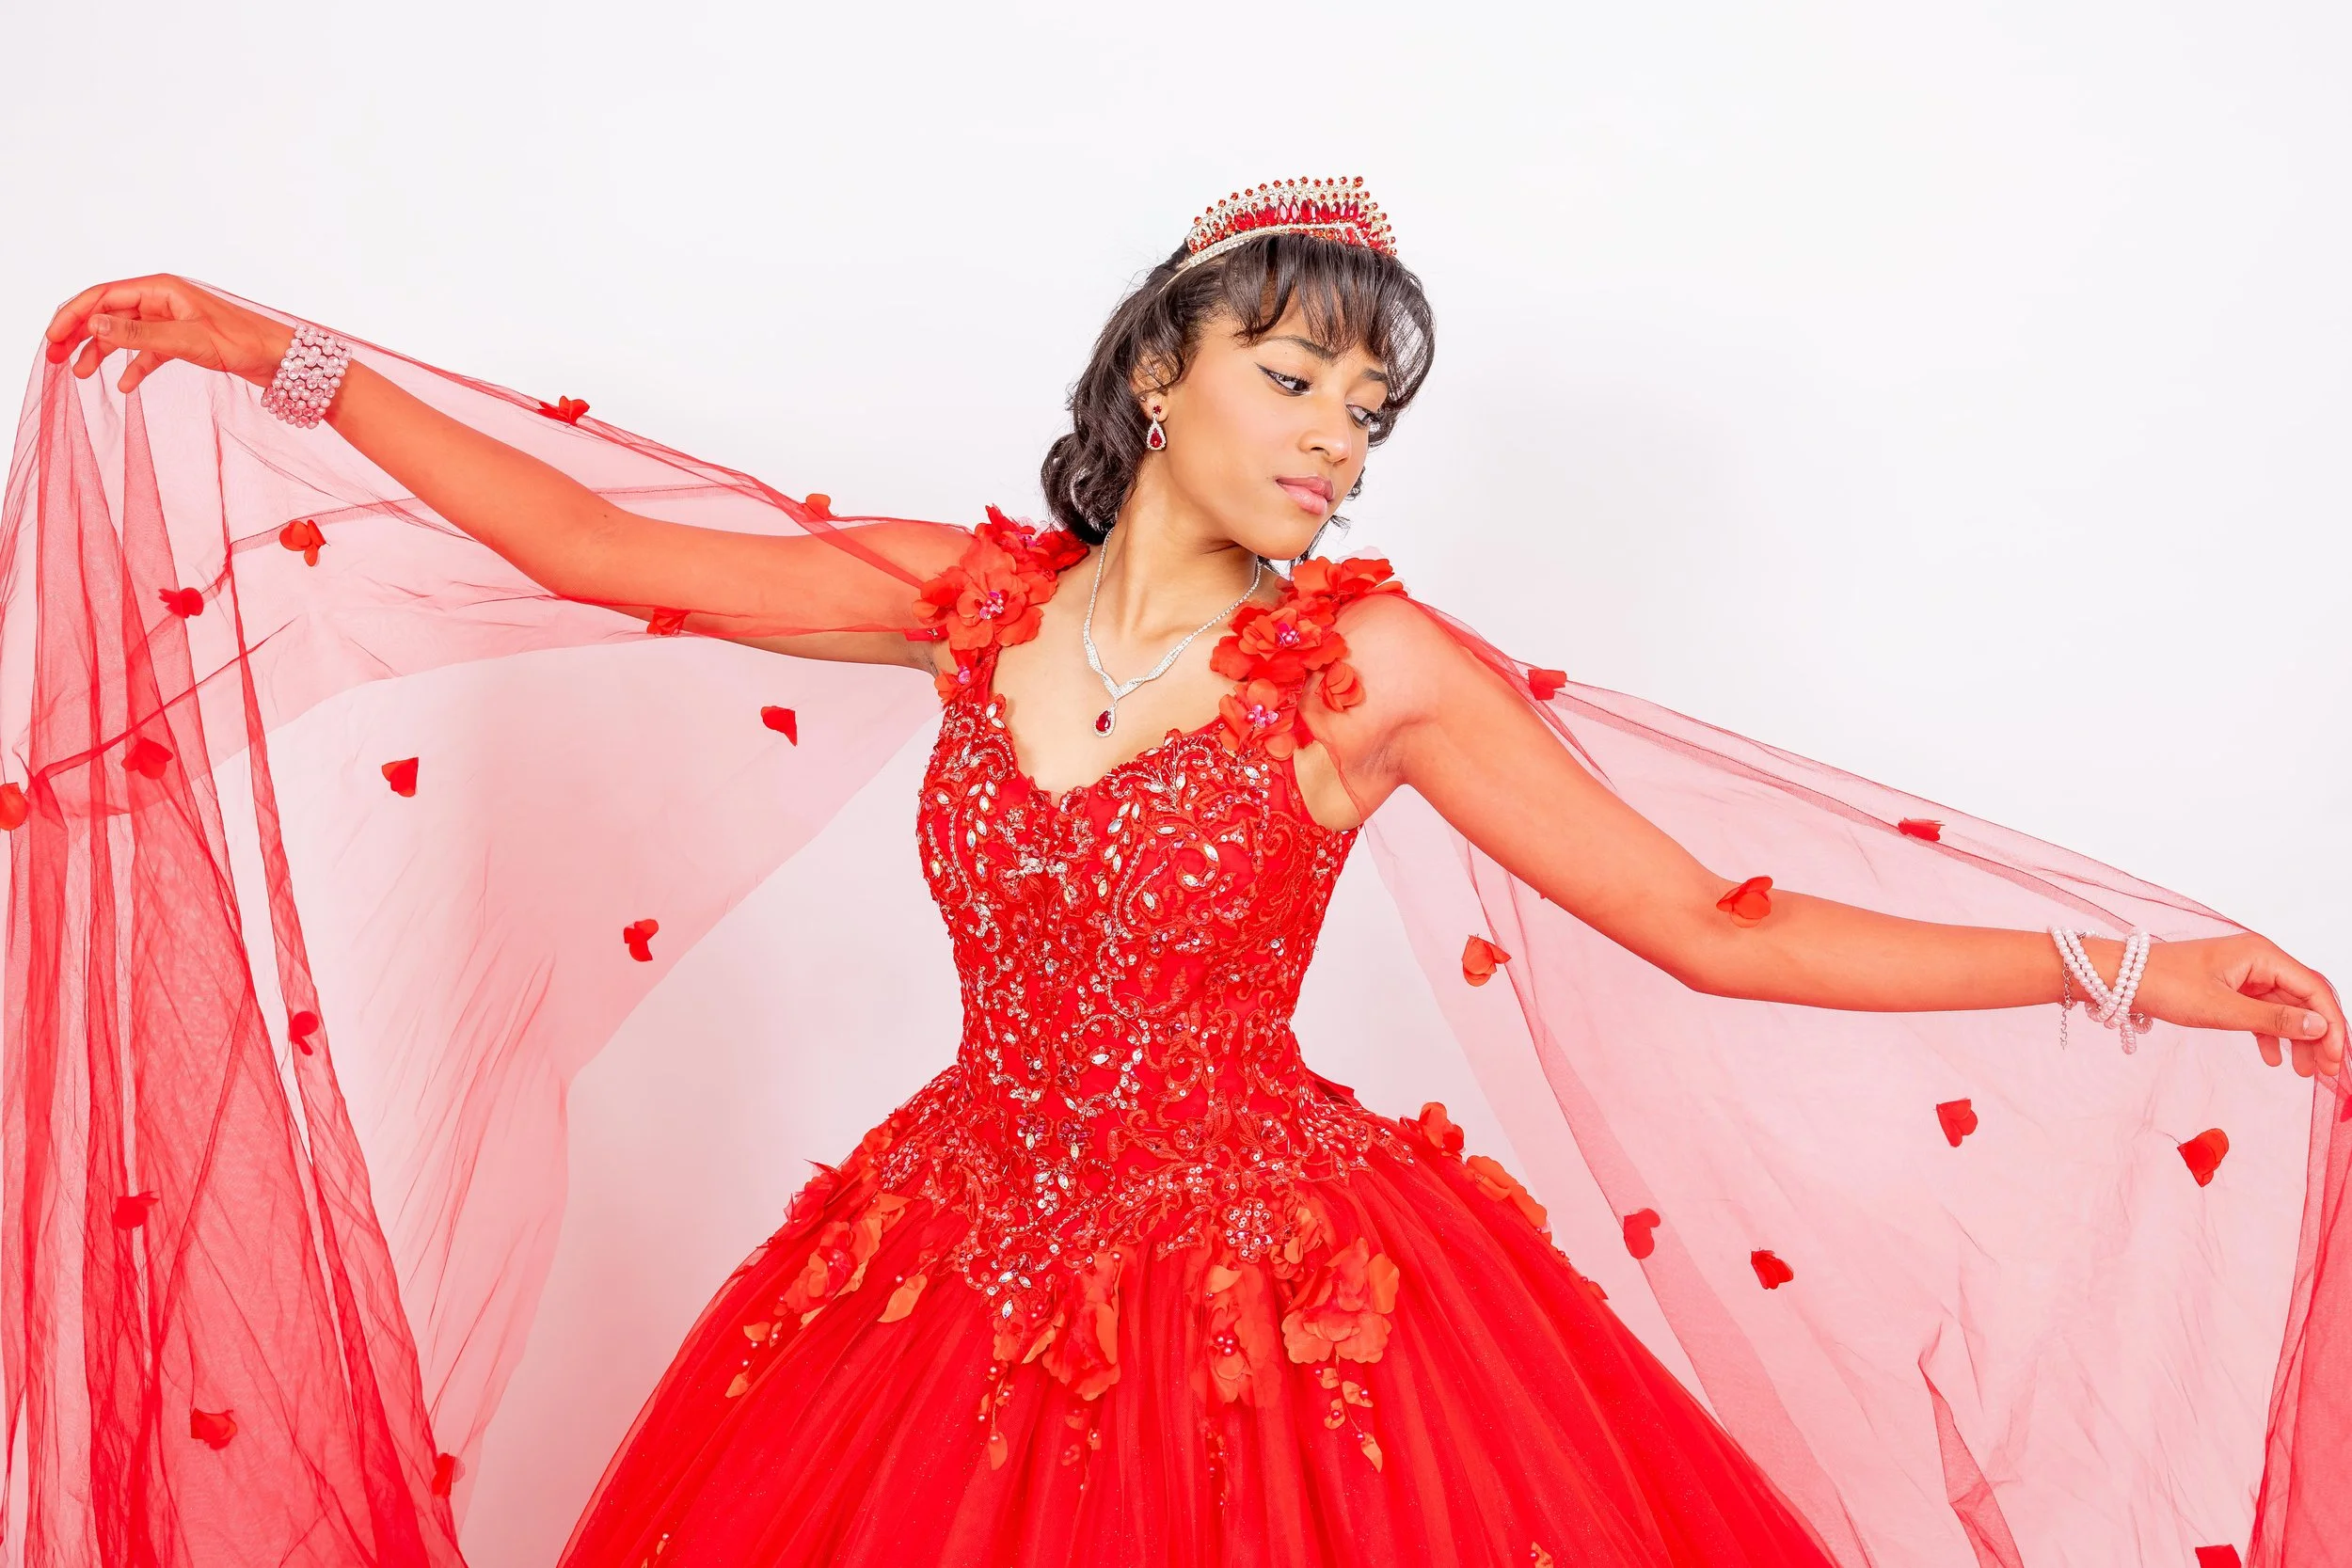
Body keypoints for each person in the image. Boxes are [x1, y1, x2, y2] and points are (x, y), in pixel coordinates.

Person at [12, 178, 2344, 1567]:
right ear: (1161, 372)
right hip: (939, 1251)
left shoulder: (1382, 670)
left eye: (1370, 409)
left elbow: (1712, 926)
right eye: (1300, 379)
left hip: (1276, 1293)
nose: (1336, 440)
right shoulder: (967, 599)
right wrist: (292, 361)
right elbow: (618, 548)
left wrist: (2116, 962)